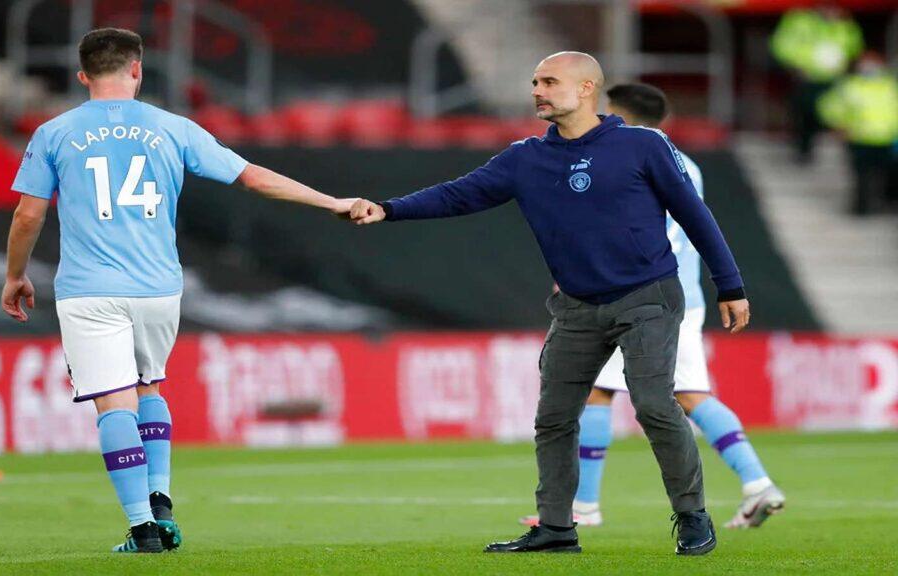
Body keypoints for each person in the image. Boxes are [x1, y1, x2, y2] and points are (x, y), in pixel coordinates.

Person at [348, 52, 750, 556]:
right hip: (578, 306)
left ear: (586, 89)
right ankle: (557, 528)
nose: (537, 90)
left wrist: (729, 285)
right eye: (535, 80)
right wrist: (387, 210)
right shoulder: (525, 158)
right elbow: (458, 195)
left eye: (550, 81)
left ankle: (692, 516)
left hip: (647, 296)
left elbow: (695, 216)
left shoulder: (642, 145)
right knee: (555, 417)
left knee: (652, 404)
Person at [2, 28, 352, 553]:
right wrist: (332, 202)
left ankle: (144, 528)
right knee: (149, 389)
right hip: (158, 287)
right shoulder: (173, 128)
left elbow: (29, 213)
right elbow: (252, 177)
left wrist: (15, 275)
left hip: (91, 289)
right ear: (138, 69)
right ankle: (161, 496)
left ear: (83, 76)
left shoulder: (55, 133)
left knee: (113, 404)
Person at [515, 83, 784, 532]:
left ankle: (583, 506)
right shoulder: (686, 163)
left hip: (638, 296)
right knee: (691, 393)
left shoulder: (625, 156)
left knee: (601, 393)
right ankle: (757, 482)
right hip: (682, 297)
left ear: (619, 113)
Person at [770, 3, 863, 163]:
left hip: (833, 80)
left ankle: (830, 145)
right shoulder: (799, 20)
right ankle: (804, 150)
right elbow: (782, 45)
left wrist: (845, 62)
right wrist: (797, 64)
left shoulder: (844, 24)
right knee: (804, 114)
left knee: (833, 114)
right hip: (806, 78)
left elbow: (854, 47)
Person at [817, 53, 898, 215]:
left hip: (888, 139)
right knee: (862, 175)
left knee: (889, 175)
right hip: (859, 138)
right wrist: (837, 125)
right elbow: (829, 106)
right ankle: (861, 208)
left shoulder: (890, 86)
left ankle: (886, 203)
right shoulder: (849, 86)